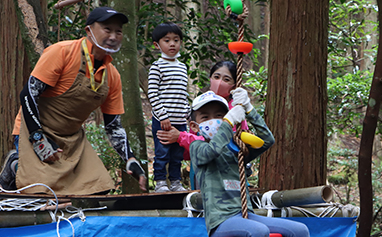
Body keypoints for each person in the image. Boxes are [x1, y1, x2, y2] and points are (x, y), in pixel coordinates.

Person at [189, 90, 325, 237]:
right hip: (221, 222)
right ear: (194, 124)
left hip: (244, 216)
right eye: (205, 116)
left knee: (301, 231)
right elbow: (211, 152)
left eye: (220, 114)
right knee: (259, 231)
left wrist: (249, 109)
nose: (215, 119)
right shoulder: (197, 148)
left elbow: (267, 140)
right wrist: (229, 121)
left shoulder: (235, 149)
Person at [0, 7, 147, 194]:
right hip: (34, 129)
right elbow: (28, 94)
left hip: (72, 139)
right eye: (107, 29)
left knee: (98, 188)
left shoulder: (113, 77)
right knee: (40, 190)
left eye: (118, 31)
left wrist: (130, 159)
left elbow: (113, 126)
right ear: (89, 30)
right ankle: (14, 167)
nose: (113, 36)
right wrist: (38, 138)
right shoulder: (61, 52)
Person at [155, 60, 250, 189]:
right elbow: (190, 152)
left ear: (234, 86)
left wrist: (181, 137)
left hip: (228, 173)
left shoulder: (236, 111)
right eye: (216, 77)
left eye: (226, 79)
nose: (220, 82)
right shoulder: (199, 106)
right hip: (202, 174)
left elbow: (225, 146)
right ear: (210, 79)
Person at [147, 22, 190, 193]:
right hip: (163, 120)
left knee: (177, 155)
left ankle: (175, 182)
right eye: (167, 40)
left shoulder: (182, 67)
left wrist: (188, 114)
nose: (172, 44)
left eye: (176, 40)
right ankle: (160, 182)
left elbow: (182, 93)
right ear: (157, 45)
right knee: (162, 152)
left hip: (180, 121)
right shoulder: (157, 67)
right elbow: (152, 93)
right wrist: (162, 115)